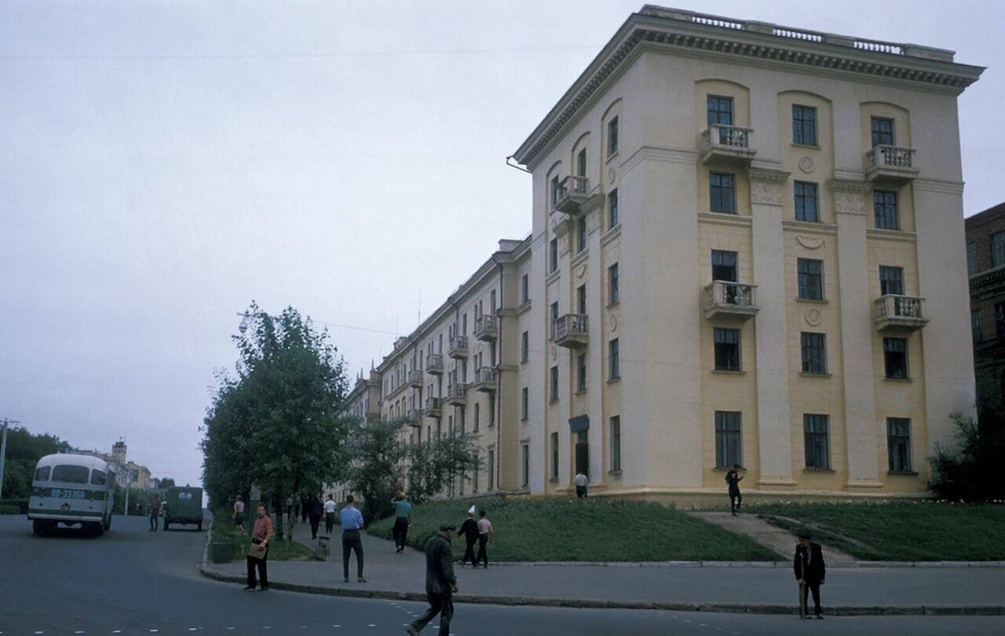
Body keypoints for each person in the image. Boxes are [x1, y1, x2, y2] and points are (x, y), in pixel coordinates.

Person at [405, 523, 458, 636]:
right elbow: (446, 567)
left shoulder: (430, 542)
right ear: (447, 531)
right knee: (447, 611)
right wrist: (453, 582)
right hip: (441, 586)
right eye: (451, 531)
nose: (452, 534)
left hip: (430, 583)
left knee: (435, 607)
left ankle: (415, 626)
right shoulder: (445, 545)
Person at [794, 529, 826, 619]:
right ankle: (804, 611)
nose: (801, 542)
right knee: (804, 595)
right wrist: (799, 577)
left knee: (816, 595)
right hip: (804, 576)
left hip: (814, 575)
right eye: (800, 540)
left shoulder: (817, 548)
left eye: (803, 541)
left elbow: (821, 563)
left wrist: (822, 577)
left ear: (808, 541)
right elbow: (796, 564)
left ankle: (818, 611)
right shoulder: (799, 549)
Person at [245, 502, 274, 591]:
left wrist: (264, 542)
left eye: (261, 510)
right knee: (250, 564)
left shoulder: (267, 520)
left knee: (261, 565)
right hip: (255, 543)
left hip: (262, 544)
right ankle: (251, 583)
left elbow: (270, 532)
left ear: (265, 511)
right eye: (258, 510)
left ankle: (264, 584)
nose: (260, 512)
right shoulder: (257, 520)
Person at [340, 494, 366, 583]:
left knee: (346, 556)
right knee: (359, 555)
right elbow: (361, 524)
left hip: (346, 533)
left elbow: (342, 521)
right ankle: (360, 576)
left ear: (346, 501)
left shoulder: (342, 511)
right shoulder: (357, 512)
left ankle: (346, 576)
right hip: (355, 533)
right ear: (353, 501)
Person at [391, 489, 413, 553]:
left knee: (396, 532)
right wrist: (410, 522)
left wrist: (395, 496)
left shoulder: (398, 503)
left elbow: (391, 501)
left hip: (399, 519)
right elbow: (410, 515)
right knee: (404, 534)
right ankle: (402, 548)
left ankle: (398, 544)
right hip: (405, 520)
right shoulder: (409, 505)